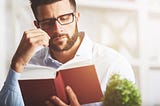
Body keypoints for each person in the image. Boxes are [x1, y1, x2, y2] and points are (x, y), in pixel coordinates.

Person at [0, 0, 135, 106]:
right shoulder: (27, 64)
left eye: (64, 18)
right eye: (47, 22)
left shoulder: (113, 64)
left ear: (77, 17)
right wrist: (17, 63)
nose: (58, 29)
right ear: (37, 26)